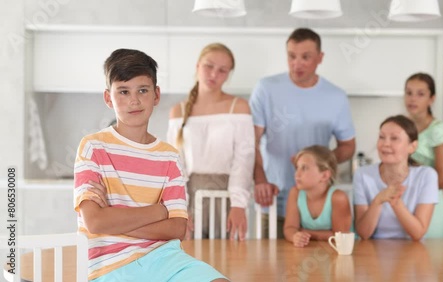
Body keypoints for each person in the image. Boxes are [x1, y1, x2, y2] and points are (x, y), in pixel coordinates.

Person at [74, 48, 227, 281]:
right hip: (111, 267)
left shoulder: (169, 156)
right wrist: (159, 211)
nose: (134, 100)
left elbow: (177, 228)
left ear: (156, 95)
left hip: (167, 258)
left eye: (142, 90)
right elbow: (95, 221)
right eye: (123, 92)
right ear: (108, 98)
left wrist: (113, 220)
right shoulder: (93, 147)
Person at [249, 28, 356, 238]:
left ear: (320, 58)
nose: (297, 64)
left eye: (306, 57)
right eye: (291, 56)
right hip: (273, 200)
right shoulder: (266, 88)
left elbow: (348, 146)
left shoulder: (336, 97)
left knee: (324, 269)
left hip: (318, 207)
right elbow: (251, 142)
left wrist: (317, 164)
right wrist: (260, 180)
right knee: (269, 269)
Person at [167, 43, 254, 241]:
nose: (214, 74)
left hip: (228, 196)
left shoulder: (238, 107)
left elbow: (245, 158)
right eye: (209, 66)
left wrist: (238, 204)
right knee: (191, 260)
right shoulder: (178, 111)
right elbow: (175, 166)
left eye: (223, 70)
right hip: (190, 197)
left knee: (229, 261)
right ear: (198, 66)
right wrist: (180, 208)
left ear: (228, 74)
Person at [353, 115, 438, 241]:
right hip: (373, 251)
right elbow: (363, 233)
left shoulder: (426, 176)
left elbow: (418, 233)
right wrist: (377, 201)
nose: (385, 144)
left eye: (394, 138)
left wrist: (396, 203)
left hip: (413, 252)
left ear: (412, 147)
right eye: (381, 137)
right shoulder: (362, 175)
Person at [404, 72, 443, 237]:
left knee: (432, 254)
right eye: (409, 92)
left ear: (431, 99)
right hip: (407, 199)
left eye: (420, 94)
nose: (413, 99)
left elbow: (441, 178)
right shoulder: (403, 126)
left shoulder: (437, 129)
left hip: (429, 200)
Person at [284, 145, 352, 247]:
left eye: (304, 168)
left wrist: (305, 232)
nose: (297, 174)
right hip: (308, 251)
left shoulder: (338, 198)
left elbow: (340, 237)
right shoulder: (295, 193)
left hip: (341, 253)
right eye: (297, 168)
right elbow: (289, 228)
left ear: (324, 175)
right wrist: (295, 237)